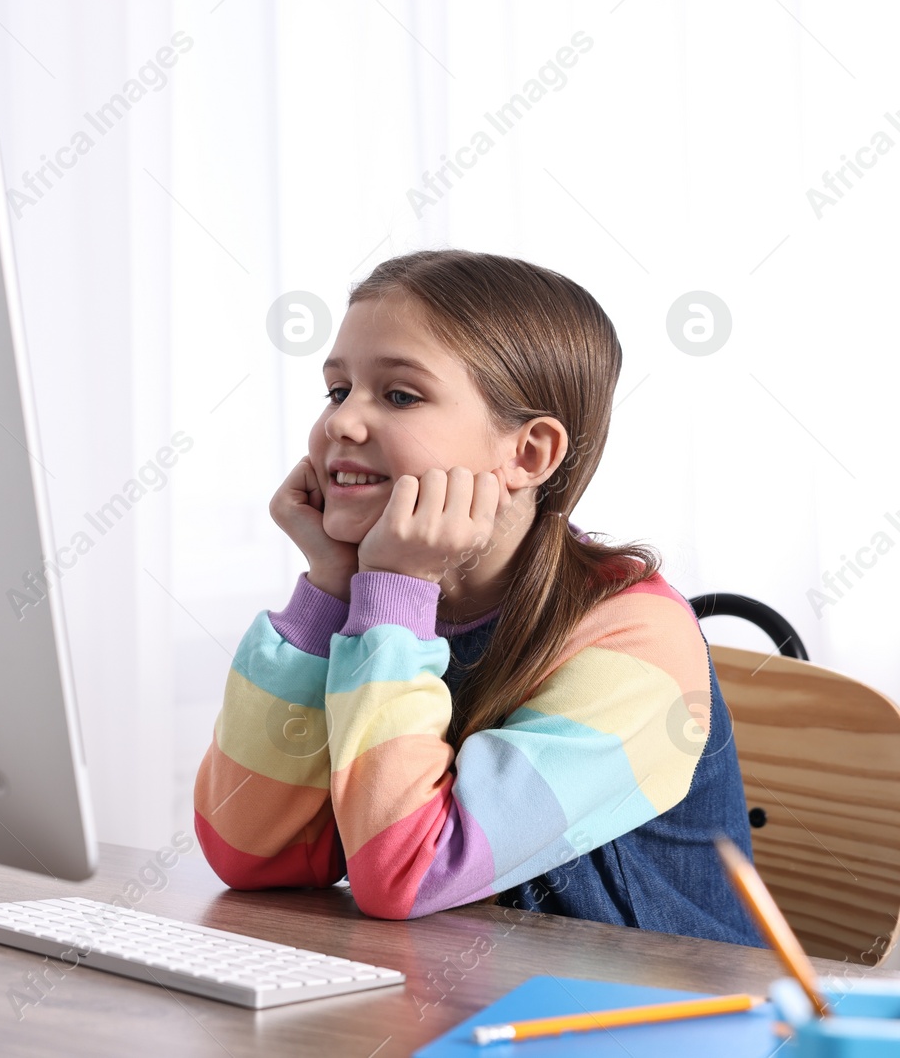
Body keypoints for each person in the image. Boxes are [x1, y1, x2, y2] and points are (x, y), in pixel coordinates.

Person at [192, 249, 761, 945]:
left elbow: (407, 871)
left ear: (528, 454)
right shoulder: (384, 605)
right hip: (464, 1003)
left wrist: (395, 599)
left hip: (651, 1021)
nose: (342, 422)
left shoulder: (636, 640)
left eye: (399, 395)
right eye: (338, 390)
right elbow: (249, 849)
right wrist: (329, 593)